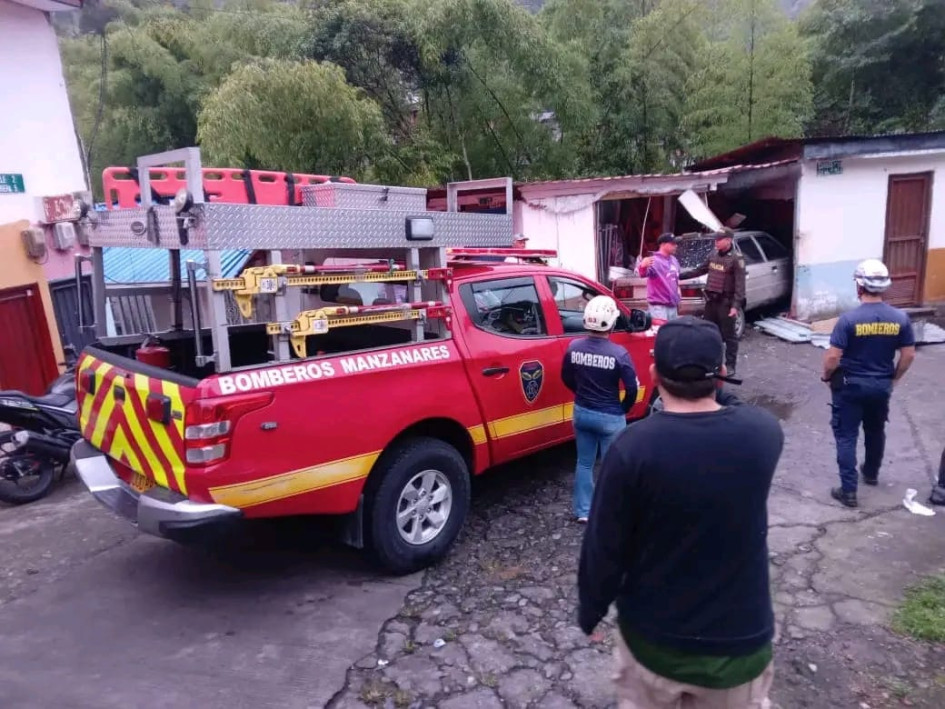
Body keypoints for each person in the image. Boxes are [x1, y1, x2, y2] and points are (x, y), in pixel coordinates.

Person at [578, 316, 784, 709]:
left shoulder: (632, 448)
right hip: (739, 646)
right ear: (722, 374)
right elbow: (734, 408)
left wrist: (591, 611)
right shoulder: (764, 433)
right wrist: (713, 385)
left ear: (654, 374)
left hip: (653, 640)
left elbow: (603, 547)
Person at [822, 259, 916, 508]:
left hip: (851, 386)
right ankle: (871, 473)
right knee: (875, 430)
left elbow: (833, 357)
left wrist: (826, 375)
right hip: (881, 385)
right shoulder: (900, 318)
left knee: (846, 436)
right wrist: (894, 378)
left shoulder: (848, 320)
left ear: (859, 286)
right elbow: (908, 354)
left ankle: (849, 491)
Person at [561, 295, 638, 523]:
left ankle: (583, 511)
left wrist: (580, 394)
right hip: (610, 416)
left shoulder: (573, 347)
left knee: (584, 463)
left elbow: (566, 377)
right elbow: (632, 388)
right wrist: (622, 408)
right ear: (612, 323)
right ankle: (612, 513)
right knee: (611, 466)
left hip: (582, 411)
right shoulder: (619, 354)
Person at [682, 230, 746, 377]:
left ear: (728, 240)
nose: (716, 242)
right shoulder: (713, 255)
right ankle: (711, 363)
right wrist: (679, 276)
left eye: (719, 240)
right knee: (709, 334)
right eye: (716, 239)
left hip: (726, 303)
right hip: (711, 302)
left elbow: (740, 287)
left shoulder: (737, 259)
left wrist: (735, 307)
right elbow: (700, 270)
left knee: (729, 336)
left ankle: (730, 366)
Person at [638, 233, 683, 321]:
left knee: (672, 333)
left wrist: (678, 298)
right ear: (663, 244)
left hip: (673, 306)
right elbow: (642, 274)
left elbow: (675, 281)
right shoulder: (653, 260)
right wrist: (642, 266)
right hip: (659, 307)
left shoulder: (674, 260)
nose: (676, 246)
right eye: (672, 244)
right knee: (660, 333)